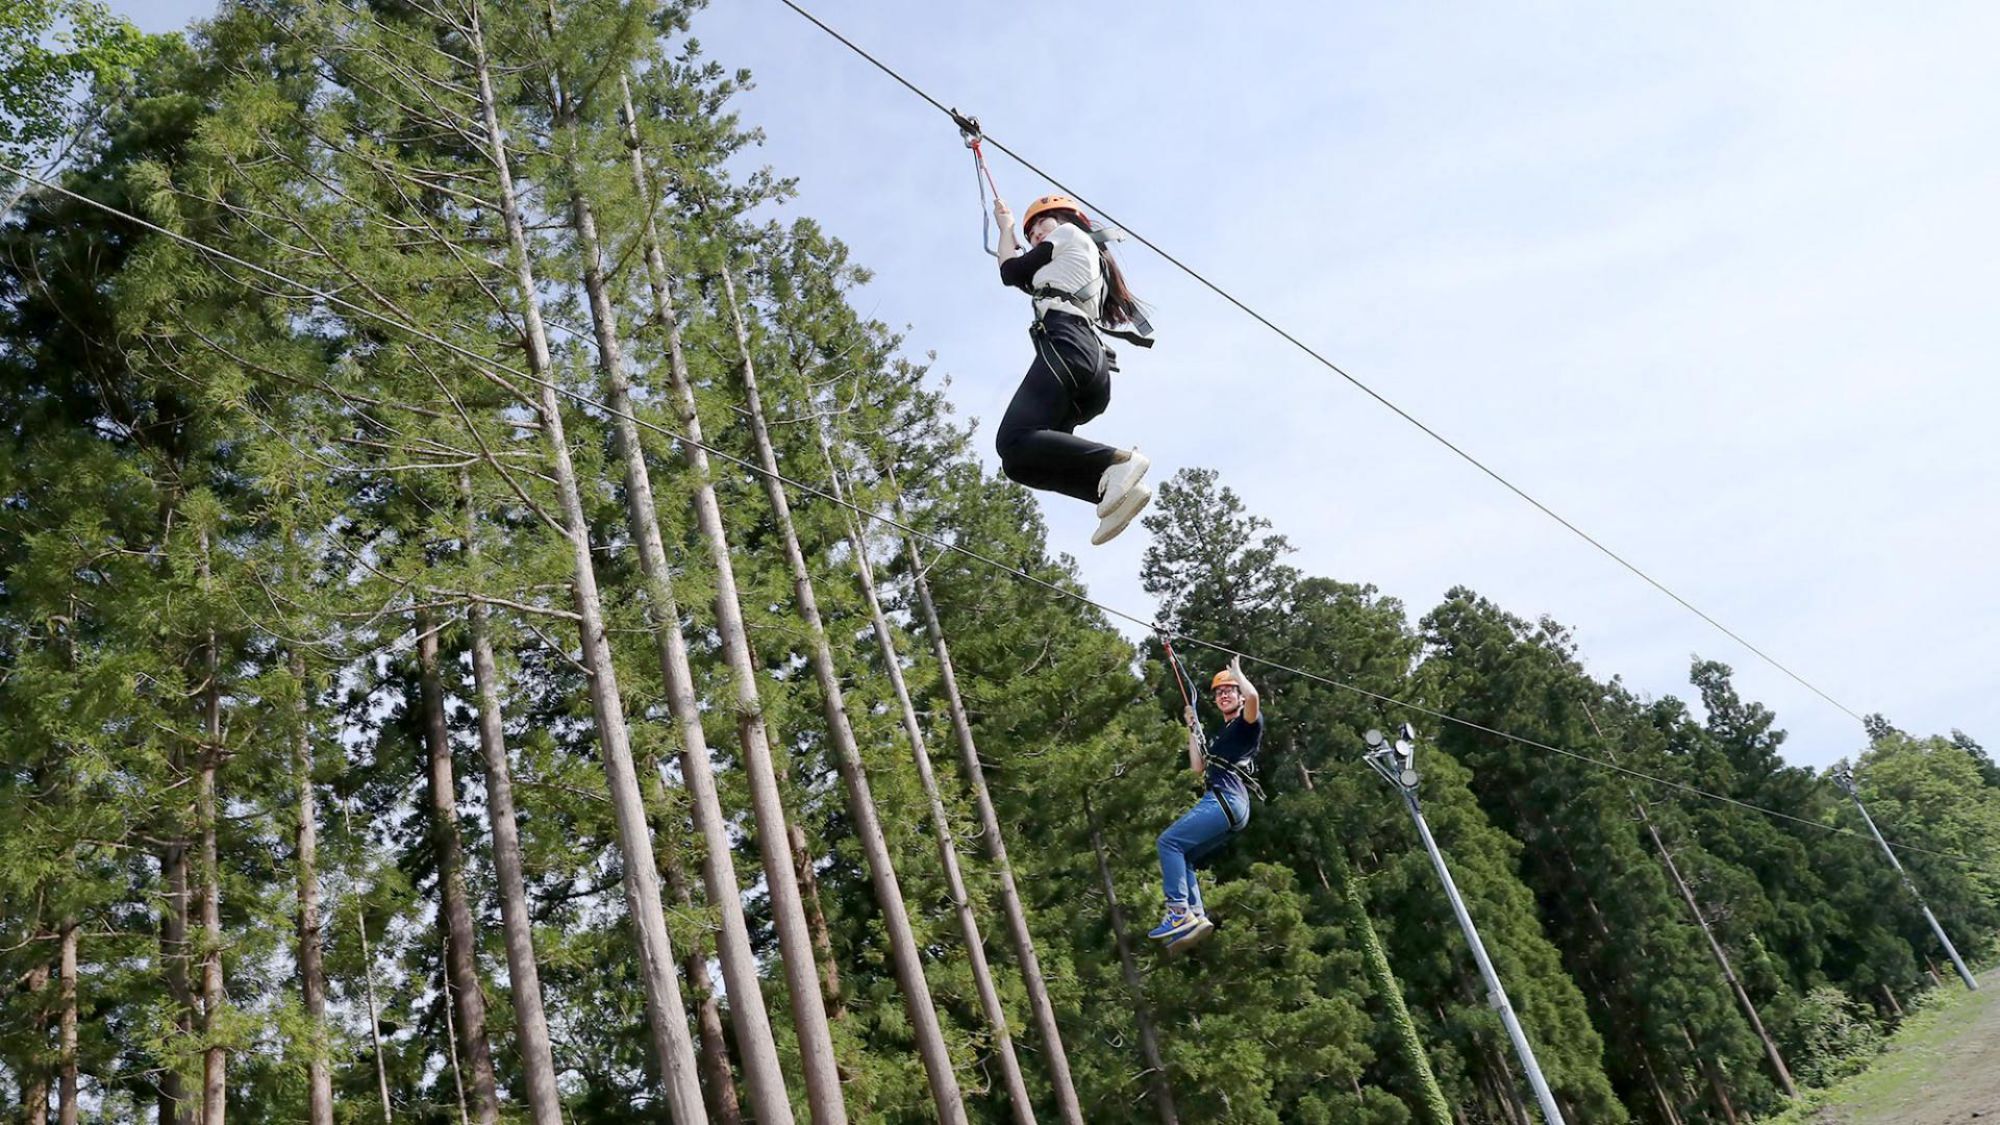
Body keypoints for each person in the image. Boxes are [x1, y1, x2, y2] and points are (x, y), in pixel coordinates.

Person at [990, 192, 1155, 545]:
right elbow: (1016, 273)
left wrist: (1006, 227)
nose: (1035, 235)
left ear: (1066, 220)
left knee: (1011, 438)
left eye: (1040, 225)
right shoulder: (1064, 266)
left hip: (1069, 348)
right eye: (1030, 232)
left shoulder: (1068, 235)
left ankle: (1118, 463)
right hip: (1087, 366)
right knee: (1019, 460)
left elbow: (1010, 270)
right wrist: (1006, 229)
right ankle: (1111, 491)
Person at [1151, 657, 1262, 951]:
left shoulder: (1246, 725)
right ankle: (1195, 915)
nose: (1224, 694)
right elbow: (1197, 767)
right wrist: (1191, 728)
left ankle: (1178, 911)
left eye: (1229, 690)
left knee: (1168, 843)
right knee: (1182, 854)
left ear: (1238, 695)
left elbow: (1253, 698)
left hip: (1226, 800)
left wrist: (1238, 673)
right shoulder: (1222, 736)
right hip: (1233, 807)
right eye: (1219, 692)